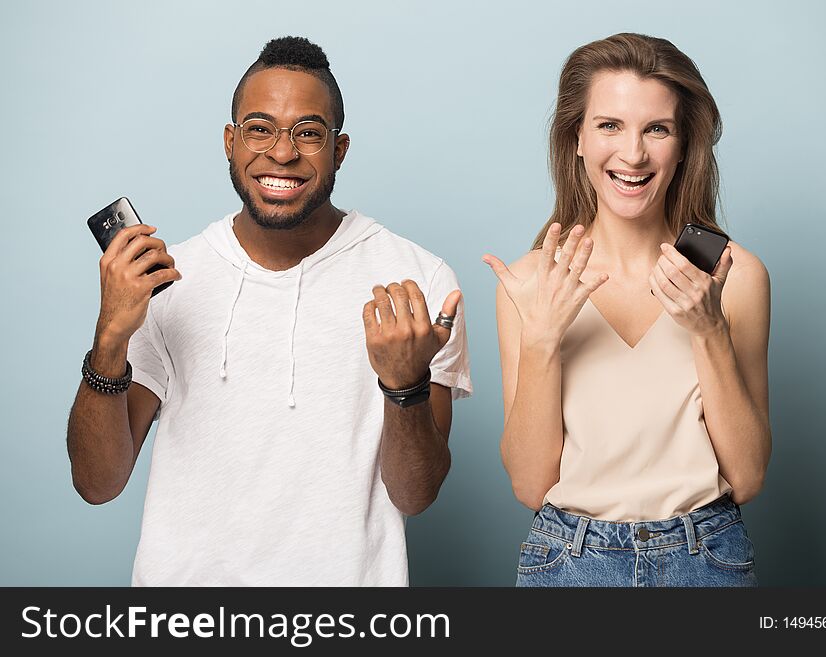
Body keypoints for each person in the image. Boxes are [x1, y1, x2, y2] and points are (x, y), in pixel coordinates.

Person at [66, 36, 471, 586]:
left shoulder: (417, 281)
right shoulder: (169, 284)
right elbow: (97, 483)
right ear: (231, 142)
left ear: (340, 150)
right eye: (260, 129)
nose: (282, 153)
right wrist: (110, 337)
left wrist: (405, 385)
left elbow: (415, 495)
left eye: (308, 133)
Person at [483, 33, 770, 587]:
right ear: (576, 140)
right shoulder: (531, 282)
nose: (633, 154)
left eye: (656, 129)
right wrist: (541, 339)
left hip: (706, 559)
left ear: (684, 144)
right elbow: (529, 485)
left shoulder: (732, 275)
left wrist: (708, 330)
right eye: (609, 125)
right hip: (568, 561)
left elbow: (749, 476)